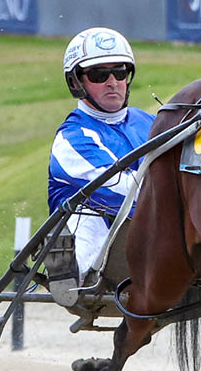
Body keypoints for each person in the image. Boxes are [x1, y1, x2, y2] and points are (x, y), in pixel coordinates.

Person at [49, 27, 155, 284]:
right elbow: (128, 192)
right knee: (91, 217)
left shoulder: (149, 122)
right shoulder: (71, 140)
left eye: (120, 72)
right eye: (98, 74)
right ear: (76, 82)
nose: (112, 82)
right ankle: (81, 282)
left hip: (152, 238)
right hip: (104, 252)